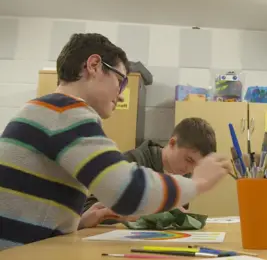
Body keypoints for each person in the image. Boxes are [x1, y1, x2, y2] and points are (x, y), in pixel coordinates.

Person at [0, 33, 231, 250]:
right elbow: (128, 192)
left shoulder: (45, 109)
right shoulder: (66, 111)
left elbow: (34, 206)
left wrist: (79, 220)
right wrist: (198, 183)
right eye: (121, 82)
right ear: (93, 66)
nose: (121, 95)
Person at [82, 117, 216, 224]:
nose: (190, 169)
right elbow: (90, 207)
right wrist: (153, 212)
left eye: (196, 166)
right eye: (189, 160)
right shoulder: (132, 161)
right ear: (172, 143)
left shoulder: (184, 174)